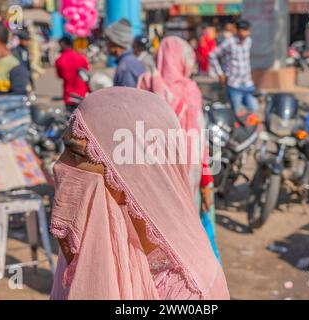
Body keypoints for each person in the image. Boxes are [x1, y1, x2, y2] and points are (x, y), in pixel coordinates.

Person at [49, 87, 230, 300]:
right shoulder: (97, 230)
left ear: (134, 171)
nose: (59, 165)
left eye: (76, 154)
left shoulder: (191, 291)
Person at [138, 36, 221, 262]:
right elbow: (198, 139)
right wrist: (206, 181)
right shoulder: (189, 90)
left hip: (150, 175)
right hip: (187, 174)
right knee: (185, 238)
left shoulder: (146, 84)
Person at [209, 19, 258, 114]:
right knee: (236, 112)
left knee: (254, 108)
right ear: (238, 30)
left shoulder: (248, 41)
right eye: (244, 30)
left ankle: (250, 128)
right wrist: (220, 73)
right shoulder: (229, 43)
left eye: (248, 30)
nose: (246, 33)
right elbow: (212, 55)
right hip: (234, 84)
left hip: (247, 83)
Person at [104, 19, 145, 87]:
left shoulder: (125, 66)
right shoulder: (131, 60)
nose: (106, 44)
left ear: (114, 42)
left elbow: (127, 96)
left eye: (107, 41)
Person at [55, 36, 91, 111]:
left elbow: (59, 75)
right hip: (82, 93)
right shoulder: (81, 58)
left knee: (71, 119)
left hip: (69, 94)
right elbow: (87, 75)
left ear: (62, 44)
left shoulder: (59, 59)